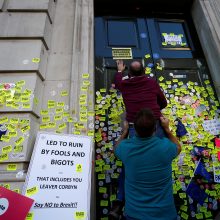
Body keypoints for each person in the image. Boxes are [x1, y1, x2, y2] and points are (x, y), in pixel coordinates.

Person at [109, 60, 168, 219]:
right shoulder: (151, 82)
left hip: (134, 127)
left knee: (130, 164)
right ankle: (157, 200)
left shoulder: (125, 83)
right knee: (160, 161)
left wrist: (119, 70)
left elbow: (117, 82)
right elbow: (163, 102)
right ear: (143, 72)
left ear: (130, 74)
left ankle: (119, 201)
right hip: (156, 124)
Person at [114, 109, 181, 220]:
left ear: (134, 129)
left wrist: (125, 132)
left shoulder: (125, 148)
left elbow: (116, 148)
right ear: (155, 129)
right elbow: (178, 148)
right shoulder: (165, 147)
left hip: (134, 215)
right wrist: (167, 129)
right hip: (165, 214)